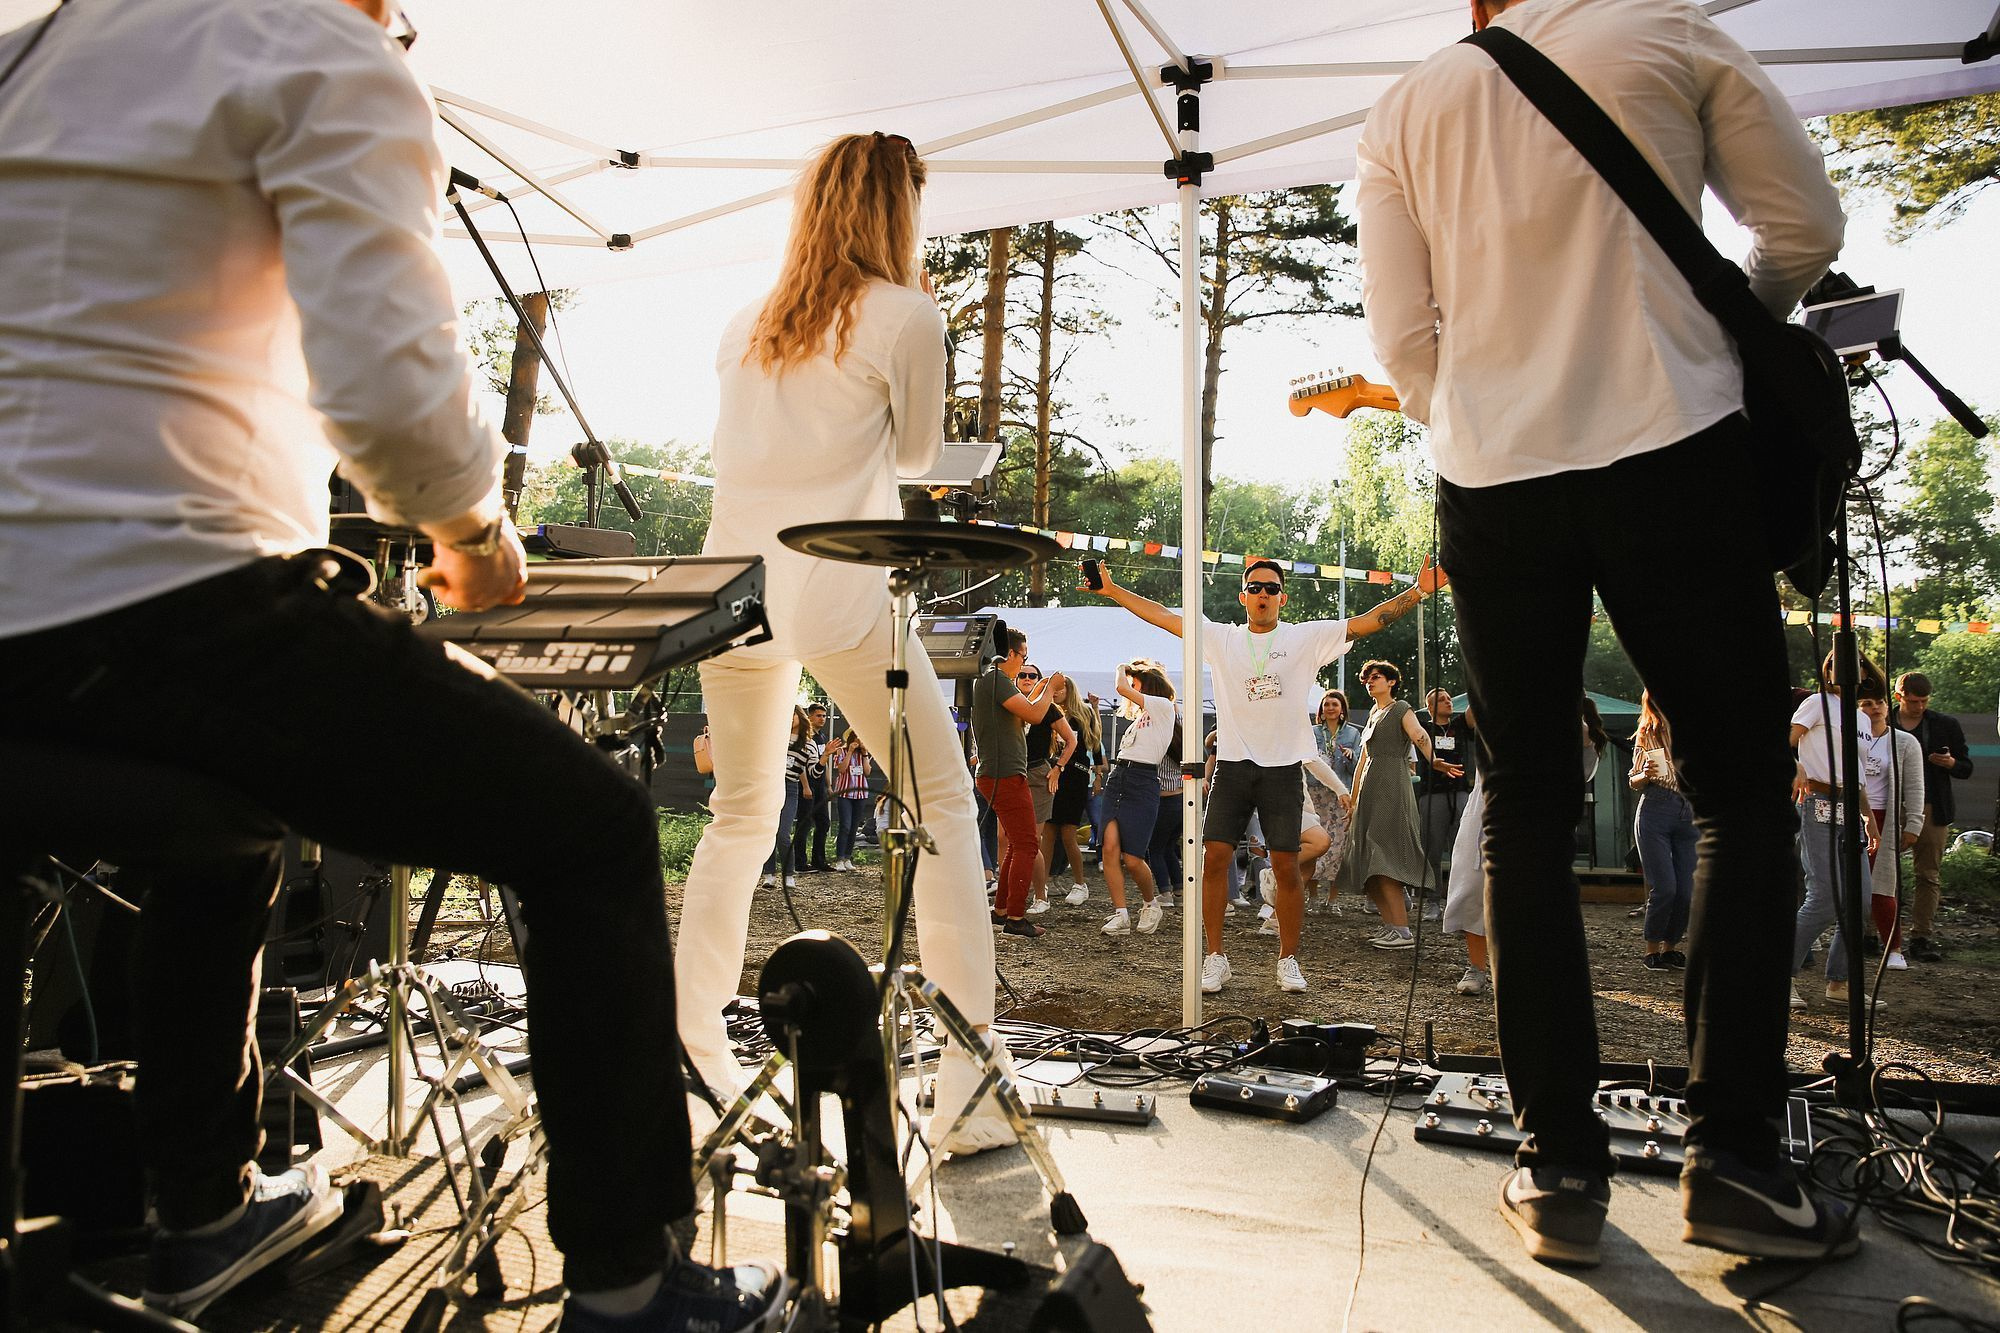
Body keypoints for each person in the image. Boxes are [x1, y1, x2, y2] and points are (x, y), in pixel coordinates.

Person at [0, 1, 783, 1327]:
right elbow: (387, 386)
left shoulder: (29, 54)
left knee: (225, 833)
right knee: (588, 829)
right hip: (168, 593)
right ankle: (633, 1286)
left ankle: (204, 1210)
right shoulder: (309, 45)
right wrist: (469, 531)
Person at [1358, 0, 1853, 1266]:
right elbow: (1801, 228)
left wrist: (1478, 406)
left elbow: (1401, 343)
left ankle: (1555, 1165)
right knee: (1739, 793)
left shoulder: (1406, 105)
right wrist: (1713, 333)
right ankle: (1732, 1160)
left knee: (1522, 805)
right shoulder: (1667, 33)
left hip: (1490, 477)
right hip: (1667, 440)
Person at [679, 130, 1015, 1158]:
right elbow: (915, 456)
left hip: (730, 595)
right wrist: (918, 319)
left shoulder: (742, 324)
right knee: (942, 808)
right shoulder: (905, 312)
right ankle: (963, 1094)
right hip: (836, 589)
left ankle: (690, 1060)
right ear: (897, 210)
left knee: (740, 816)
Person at [1091, 559, 1447, 995]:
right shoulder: (1222, 638)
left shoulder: (1304, 637)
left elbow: (1368, 621)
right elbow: (1163, 616)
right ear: (1243, 596)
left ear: (1283, 597)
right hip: (1233, 765)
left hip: (1282, 768)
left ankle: (1288, 960)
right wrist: (1113, 590)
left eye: (1272, 588)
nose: (1263, 593)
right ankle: (1215, 958)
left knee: (1287, 867)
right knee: (1213, 859)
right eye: (1255, 587)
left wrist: (1419, 591)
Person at [1338, 661, 1461, 949]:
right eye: (1367, 678)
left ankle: (1403, 931)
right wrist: (1353, 800)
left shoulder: (1401, 708)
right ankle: (1392, 926)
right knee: (1370, 861)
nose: (1370, 682)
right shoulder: (1373, 714)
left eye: (1376, 677)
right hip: (1369, 790)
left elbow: (1419, 735)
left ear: (1391, 682)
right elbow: (1362, 762)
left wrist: (1433, 760)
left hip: (1391, 787)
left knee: (1384, 858)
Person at [1789, 651, 1885, 1010]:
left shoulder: (1860, 716)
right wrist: (1795, 764)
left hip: (1850, 808)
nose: (1837, 668)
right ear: (1825, 670)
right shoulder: (1816, 703)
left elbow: (1856, 774)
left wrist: (1870, 820)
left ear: (1862, 672)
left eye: (1846, 662)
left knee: (1860, 900)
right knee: (1824, 897)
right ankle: (1780, 976)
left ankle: (1840, 982)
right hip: (1816, 801)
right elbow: (1786, 740)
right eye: (1831, 663)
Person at [970, 628, 1072, 939]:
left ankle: (1003, 910)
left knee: (1017, 844)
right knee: (1028, 845)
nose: (1024, 664)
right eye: (1023, 657)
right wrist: (1050, 686)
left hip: (1000, 773)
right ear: (1011, 654)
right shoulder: (996, 679)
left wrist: (1041, 688)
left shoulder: (991, 680)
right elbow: (1034, 714)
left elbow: (1027, 710)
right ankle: (1015, 917)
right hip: (1004, 774)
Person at [1892, 671, 1973, 963]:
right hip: (1889, 801)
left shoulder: (1944, 724)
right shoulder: (1882, 720)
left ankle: (1921, 936)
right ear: (1899, 697)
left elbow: (1966, 767)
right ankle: (1876, 932)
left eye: (1924, 701)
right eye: (1914, 701)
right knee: (1881, 872)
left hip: (1931, 804)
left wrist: (1950, 763)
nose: (1920, 707)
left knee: (1927, 874)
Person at [1099, 661, 1177, 938]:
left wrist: (1122, 667)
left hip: (1142, 780)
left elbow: (1120, 686)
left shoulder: (1164, 707)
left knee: (1133, 858)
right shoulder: (1143, 716)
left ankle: (1150, 903)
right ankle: (1121, 913)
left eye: (1136, 686)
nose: (1132, 691)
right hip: (1119, 776)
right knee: (1109, 847)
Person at [1858, 678, 1925, 972]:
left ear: (1888, 706)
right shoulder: (1847, 737)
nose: (1875, 708)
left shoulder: (1905, 742)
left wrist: (1914, 824)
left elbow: (1915, 787)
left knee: (1882, 885)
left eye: (1879, 702)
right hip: (1849, 815)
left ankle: (1893, 948)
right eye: (1867, 703)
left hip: (1884, 818)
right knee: (1847, 885)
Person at [1630, 691, 1696, 972]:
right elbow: (1634, 780)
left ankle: (1670, 948)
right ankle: (1651, 949)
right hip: (1656, 806)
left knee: (1687, 890)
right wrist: (1645, 773)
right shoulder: (1647, 732)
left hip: (1689, 810)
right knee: (1665, 887)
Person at [1046, 673, 1102, 906]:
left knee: (1069, 832)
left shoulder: (1083, 713)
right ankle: (1043, 883)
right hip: (1053, 773)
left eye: (1060, 689)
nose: (1056, 693)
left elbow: (1095, 745)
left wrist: (1098, 775)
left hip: (1076, 775)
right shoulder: (1048, 711)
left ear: (1070, 690)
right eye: (1054, 689)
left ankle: (1080, 883)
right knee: (1048, 830)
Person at [1308, 689, 1363, 911]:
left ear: (1342, 710)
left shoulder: (1353, 734)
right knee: (1313, 842)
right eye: (1327, 704)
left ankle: (1332, 900)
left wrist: (1351, 756)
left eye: (1335, 704)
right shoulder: (1312, 732)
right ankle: (1312, 897)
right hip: (1315, 792)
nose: (1330, 708)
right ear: (1321, 710)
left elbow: (1358, 765)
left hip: (1341, 794)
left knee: (1339, 846)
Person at [1417, 686, 1477, 883]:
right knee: (1432, 849)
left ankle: (1458, 894)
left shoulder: (1459, 725)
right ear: (1430, 707)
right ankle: (1433, 896)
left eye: (1449, 698)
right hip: (1432, 794)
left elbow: (1474, 707)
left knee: (1462, 846)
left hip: (1459, 792)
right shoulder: (1423, 728)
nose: (1448, 702)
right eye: (1441, 700)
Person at [760, 705, 811, 890]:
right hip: (770, 786)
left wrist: (806, 785)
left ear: (800, 717)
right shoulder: (776, 736)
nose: (789, 718)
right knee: (769, 832)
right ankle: (769, 874)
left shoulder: (807, 744)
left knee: (783, 833)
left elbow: (802, 768)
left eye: (793, 714)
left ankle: (789, 874)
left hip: (790, 788)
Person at [790, 702, 833, 874]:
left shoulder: (821, 737)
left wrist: (828, 785)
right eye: (818, 715)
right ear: (809, 717)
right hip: (806, 786)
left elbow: (824, 762)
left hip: (820, 785)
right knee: (804, 823)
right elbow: (800, 764)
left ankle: (819, 860)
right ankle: (800, 862)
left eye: (824, 716)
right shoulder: (805, 738)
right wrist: (806, 786)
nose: (822, 719)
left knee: (823, 823)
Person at [830, 730, 874, 872]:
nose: (859, 741)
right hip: (845, 794)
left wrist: (865, 753)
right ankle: (839, 859)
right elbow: (842, 769)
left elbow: (867, 772)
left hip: (860, 794)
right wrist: (849, 751)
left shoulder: (864, 754)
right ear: (851, 738)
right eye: (857, 738)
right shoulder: (841, 751)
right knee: (845, 826)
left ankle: (847, 858)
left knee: (854, 827)